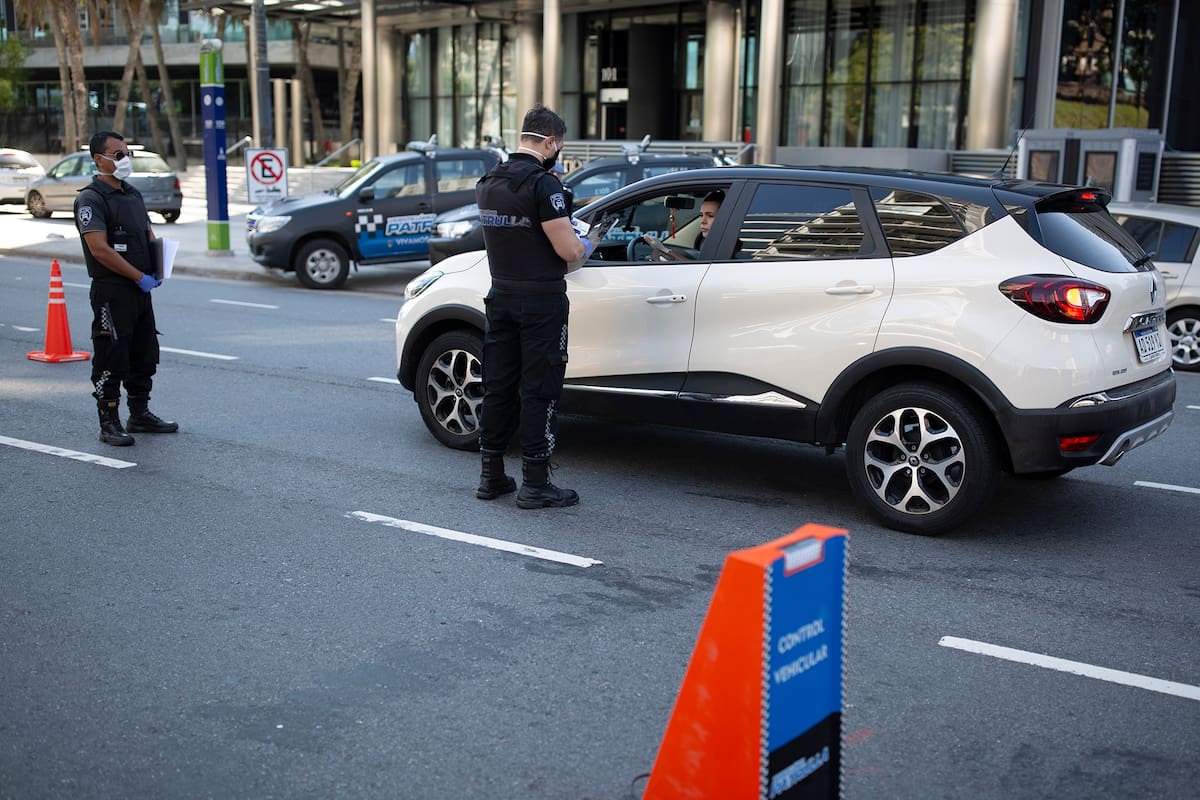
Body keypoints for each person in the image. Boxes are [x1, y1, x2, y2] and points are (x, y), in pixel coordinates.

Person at [474, 106, 592, 509]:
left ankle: (491, 476)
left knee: (498, 385)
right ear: (551, 142)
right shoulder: (544, 186)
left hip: (500, 296)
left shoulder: (490, 181)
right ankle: (536, 482)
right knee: (538, 388)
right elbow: (568, 250)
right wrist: (586, 244)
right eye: (559, 144)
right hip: (540, 301)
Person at [75, 131, 178, 447]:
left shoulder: (132, 194)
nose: (125, 161)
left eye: (127, 154)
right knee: (112, 354)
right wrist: (137, 276)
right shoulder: (91, 199)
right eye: (118, 155)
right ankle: (109, 421)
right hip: (112, 291)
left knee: (144, 351)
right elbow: (101, 250)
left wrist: (158, 268)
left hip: (139, 290)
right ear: (99, 159)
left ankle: (139, 413)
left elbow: (147, 233)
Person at [647, 189, 724, 261]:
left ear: (725, 217)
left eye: (710, 216)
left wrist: (666, 251)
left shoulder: (726, 246)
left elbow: (699, 269)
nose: (702, 221)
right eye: (701, 215)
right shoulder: (715, 243)